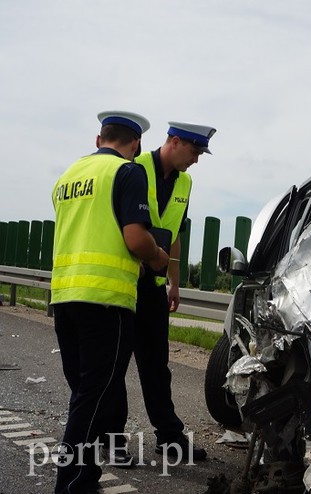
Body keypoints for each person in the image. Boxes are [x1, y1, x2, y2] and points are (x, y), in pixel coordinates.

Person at [51, 111, 169, 494]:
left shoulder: (69, 176)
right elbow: (136, 238)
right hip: (106, 300)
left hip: (65, 297)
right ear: (134, 145)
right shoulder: (128, 172)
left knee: (84, 394)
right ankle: (73, 484)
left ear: (98, 137)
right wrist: (158, 258)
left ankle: (82, 477)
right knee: (95, 396)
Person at [106, 121, 216, 465]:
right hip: (125, 283)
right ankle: (112, 440)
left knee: (157, 366)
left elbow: (174, 233)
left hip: (153, 287)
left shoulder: (185, 182)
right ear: (174, 141)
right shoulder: (133, 169)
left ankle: (169, 439)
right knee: (115, 365)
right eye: (194, 151)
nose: (196, 160)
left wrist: (175, 280)